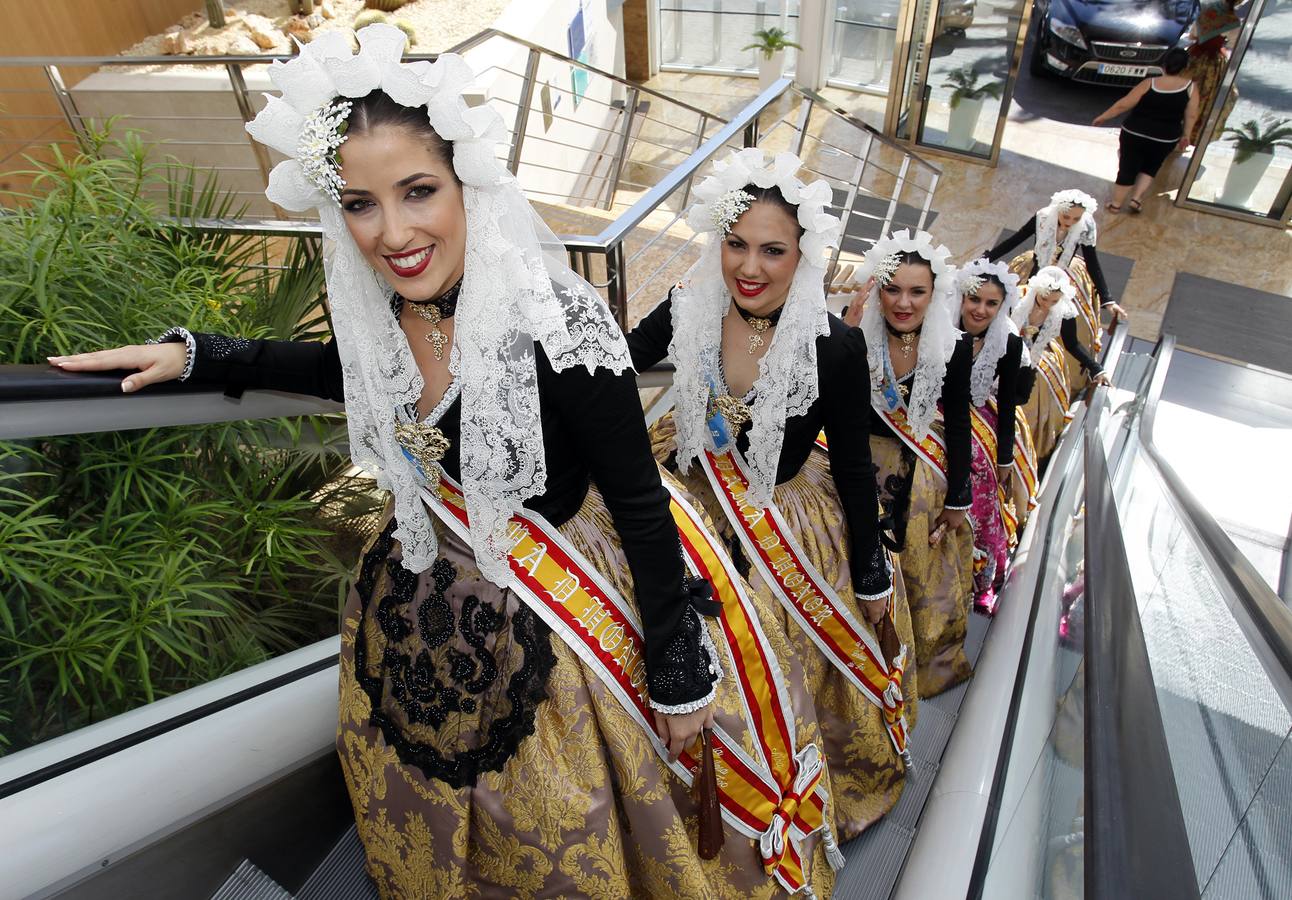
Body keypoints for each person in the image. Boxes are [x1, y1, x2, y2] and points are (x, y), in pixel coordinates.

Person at [47, 26, 842, 897]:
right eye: (359, 203)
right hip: (427, 588)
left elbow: (642, 506)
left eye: (418, 191)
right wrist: (202, 355)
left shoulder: (562, 326)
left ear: (468, 183)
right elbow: (332, 370)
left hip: (561, 610)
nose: (393, 233)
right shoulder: (382, 311)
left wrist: (680, 675)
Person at [630, 148, 917, 840]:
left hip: (783, 524)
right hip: (687, 504)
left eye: (772, 250)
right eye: (735, 244)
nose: (748, 267)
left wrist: (872, 574)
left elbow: (852, 468)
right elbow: (610, 372)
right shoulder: (685, 308)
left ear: (804, 255)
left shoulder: (836, 347)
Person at [854, 230, 974, 698]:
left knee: (916, 565)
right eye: (892, 288)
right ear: (876, 288)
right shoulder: (856, 337)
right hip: (858, 461)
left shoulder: (954, 347)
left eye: (917, 291)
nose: (903, 302)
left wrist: (958, 496)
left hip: (917, 470)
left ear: (934, 293)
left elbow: (960, 420)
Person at [954, 259, 1036, 615]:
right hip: (931, 415)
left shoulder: (1010, 344)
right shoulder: (940, 327)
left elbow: (1006, 409)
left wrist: (1005, 458)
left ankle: (981, 579)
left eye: (991, 304)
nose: (980, 309)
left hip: (978, 418)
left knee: (984, 495)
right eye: (974, 299)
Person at [987, 188, 1123, 394]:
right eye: (1066, 216)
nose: (1069, 222)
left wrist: (1107, 299)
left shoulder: (1085, 228)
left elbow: (1092, 261)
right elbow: (1016, 239)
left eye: (1075, 218)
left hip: (1063, 277)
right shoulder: (1042, 218)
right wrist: (986, 258)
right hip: (1034, 275)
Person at [1012, 266, 1111, 464]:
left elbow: (1072, 344)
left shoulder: (1064, 312)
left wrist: (1097, 369)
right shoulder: (1016, 298)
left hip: (1034, 364)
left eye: (1054, 301)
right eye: (1043, 298)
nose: (1047, 305)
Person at [1092, 47, 1200, 213]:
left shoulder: (1149, 83)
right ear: (1185, 67)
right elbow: (1191, 115)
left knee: (1127, 165)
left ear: (1163, 64)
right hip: (1165, 137)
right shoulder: (1191, 88)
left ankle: (1116, 204)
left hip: (1134, 132)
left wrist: (1103, 117)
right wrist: (1186, 135)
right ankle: (1136, 199)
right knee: (1151, 166)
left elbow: (1124, 104)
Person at [1186, 0, 1243, 147]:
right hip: (1214, 62)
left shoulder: (1206, 13)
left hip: (1193, 57)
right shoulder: (1234, 21)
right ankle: (1193, 135)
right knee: (1214, 97)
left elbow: (1192, 36)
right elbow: (1233, 44)